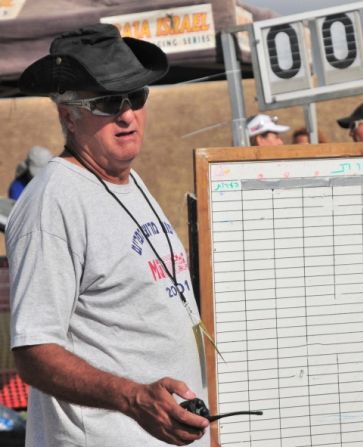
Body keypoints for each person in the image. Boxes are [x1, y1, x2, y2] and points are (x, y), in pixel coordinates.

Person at [6, 24, 210, 446]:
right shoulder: (54, 202)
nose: (127, 114)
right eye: (107, 102)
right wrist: (134, 399)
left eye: (136, 96)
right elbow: (34, 353)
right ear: (68, 115)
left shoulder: (129, 181)